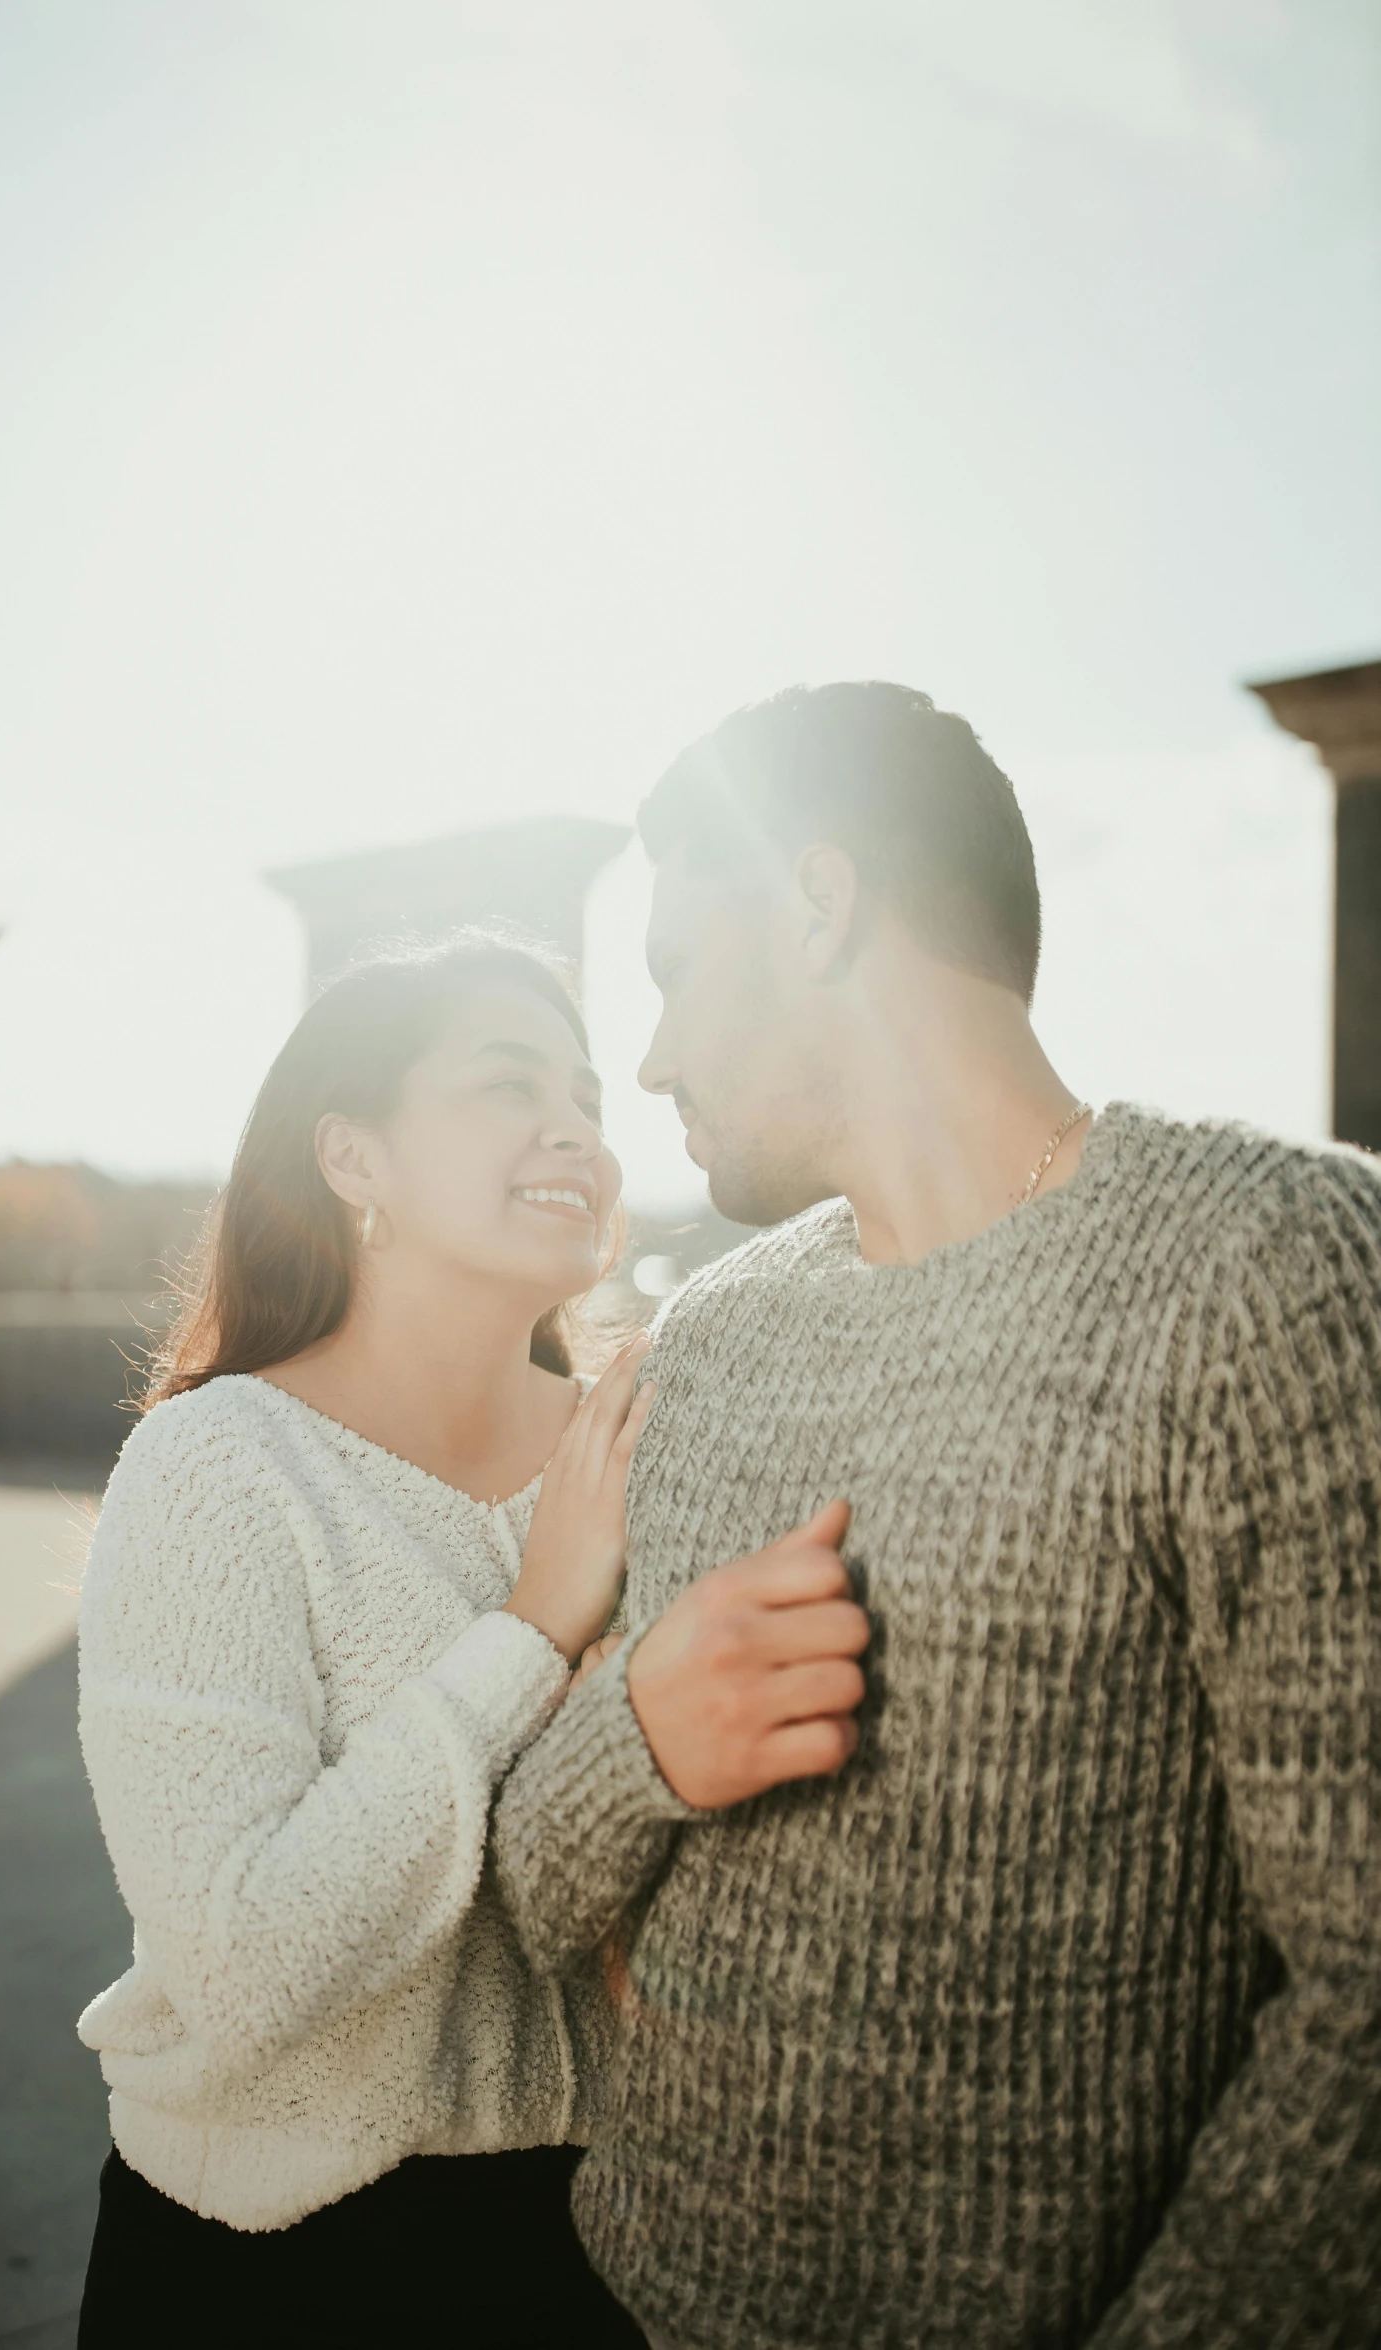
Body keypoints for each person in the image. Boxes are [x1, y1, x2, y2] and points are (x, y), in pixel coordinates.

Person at [493, 682, 1381, 2350]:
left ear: (816, 902)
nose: (653, 1053)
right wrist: (640, 1735)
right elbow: (533, 1891)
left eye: (678, 966)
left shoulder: (1272, 1273)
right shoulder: (711, 1339)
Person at [75, 933, 653, 2348]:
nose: (572, 1125)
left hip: (609, 2252)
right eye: (506, 1083)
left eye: (585, 1092)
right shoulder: (219, 1467)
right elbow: (245, 1964)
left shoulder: (643, 1446)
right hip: (269, 2270)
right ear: (353, 1157)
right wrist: (532, 1630)